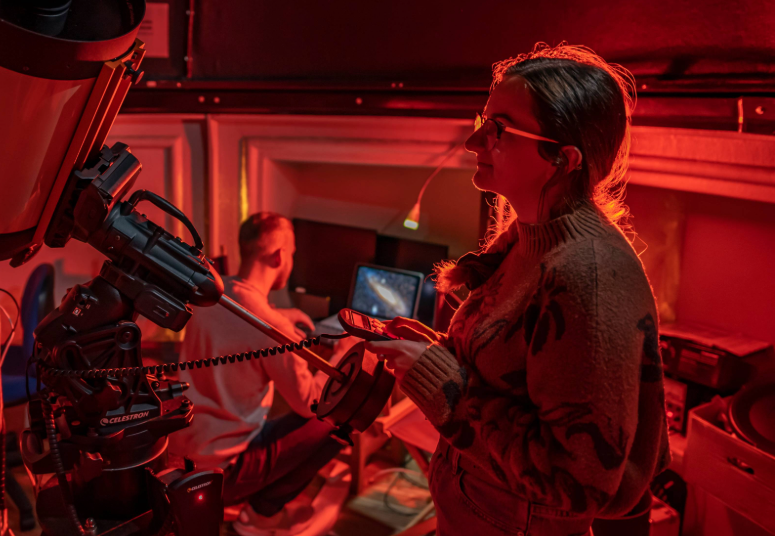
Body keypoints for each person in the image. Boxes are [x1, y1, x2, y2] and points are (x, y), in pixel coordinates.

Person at [368, 43, 669, 536]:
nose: (473, 142)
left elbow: (577, 481)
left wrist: (441, 383)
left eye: (499, 130)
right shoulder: (528, 235)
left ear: (561, 158)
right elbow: (509, 373)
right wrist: (437, 352)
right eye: (482, 120)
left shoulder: (587, 280)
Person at [169, 212, 354, 536]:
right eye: (292, 252)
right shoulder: (271, 329)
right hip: (225, 471)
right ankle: (259, 516)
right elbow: (310, 402)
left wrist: (282, 316)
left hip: (183, 451)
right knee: (339, 420)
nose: (291, 259)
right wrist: (341, 353)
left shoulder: (210, 293)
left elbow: (241, 324)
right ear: (280, 254)